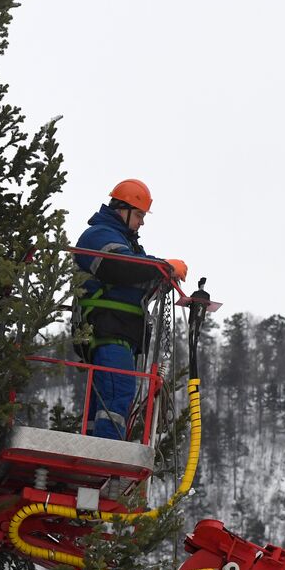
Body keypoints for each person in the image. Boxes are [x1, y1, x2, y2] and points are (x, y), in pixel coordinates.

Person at [74, 179, 187, 440]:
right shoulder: (98, 235)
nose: (142, 222)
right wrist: (163, 267)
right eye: (138, 215)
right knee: (117, 393)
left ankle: (95, 446)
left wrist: (164, 278)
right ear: (120, 210)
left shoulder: (128, 245)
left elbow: (138, 273)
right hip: (107, 327)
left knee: (106, 398)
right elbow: (119, 267)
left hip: (120, 332)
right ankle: (104, 455)